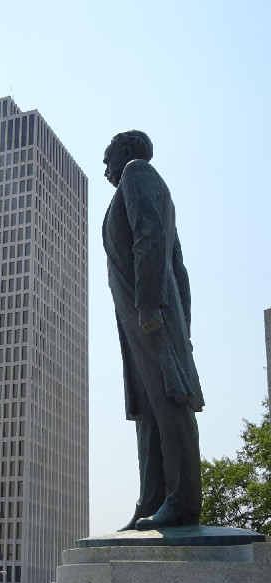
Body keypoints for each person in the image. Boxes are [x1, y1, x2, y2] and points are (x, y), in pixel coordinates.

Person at [102, 130, 204, 530]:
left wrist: (149, 304)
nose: (106, 166)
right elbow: (179, 267)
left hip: (149, 311)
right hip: (144, 317)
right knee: (147, 409)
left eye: (107, 156)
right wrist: (182, 325)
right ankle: (151, 501)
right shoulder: (137, 183)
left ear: (124, 153)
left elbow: (151, 234)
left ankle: (181, 501)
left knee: (168, 399)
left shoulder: (137, 172)